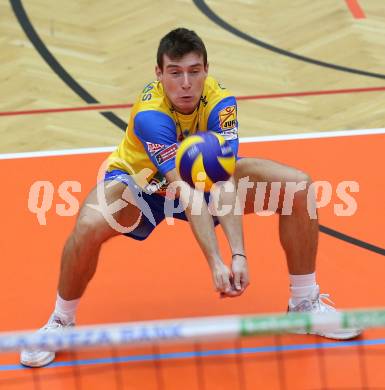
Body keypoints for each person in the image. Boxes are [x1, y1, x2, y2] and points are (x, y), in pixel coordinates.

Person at [20, 28, 360, 368]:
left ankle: (304, 306)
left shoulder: (221, 103)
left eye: (194, 71)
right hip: (142, 187)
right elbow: (184, 191)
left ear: (206, 70)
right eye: (175, 72)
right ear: (159, 73)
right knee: (88, 226)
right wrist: (215, 261)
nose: (185, 83)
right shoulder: (151, 115)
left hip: (203, 181)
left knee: (297, 187)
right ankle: (61, 322)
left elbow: (221, 179)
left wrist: (238, 255)